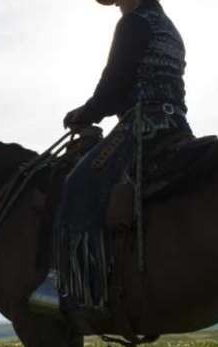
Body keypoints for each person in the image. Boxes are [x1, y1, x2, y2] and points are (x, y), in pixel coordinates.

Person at [57, 0, 190, 314]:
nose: (116, 6)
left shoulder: (134, 23)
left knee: (77, 185)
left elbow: (113, 85)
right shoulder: (168, 26)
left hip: (143, 124)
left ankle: (82, 292)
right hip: (178, 124)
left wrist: (84, 113)